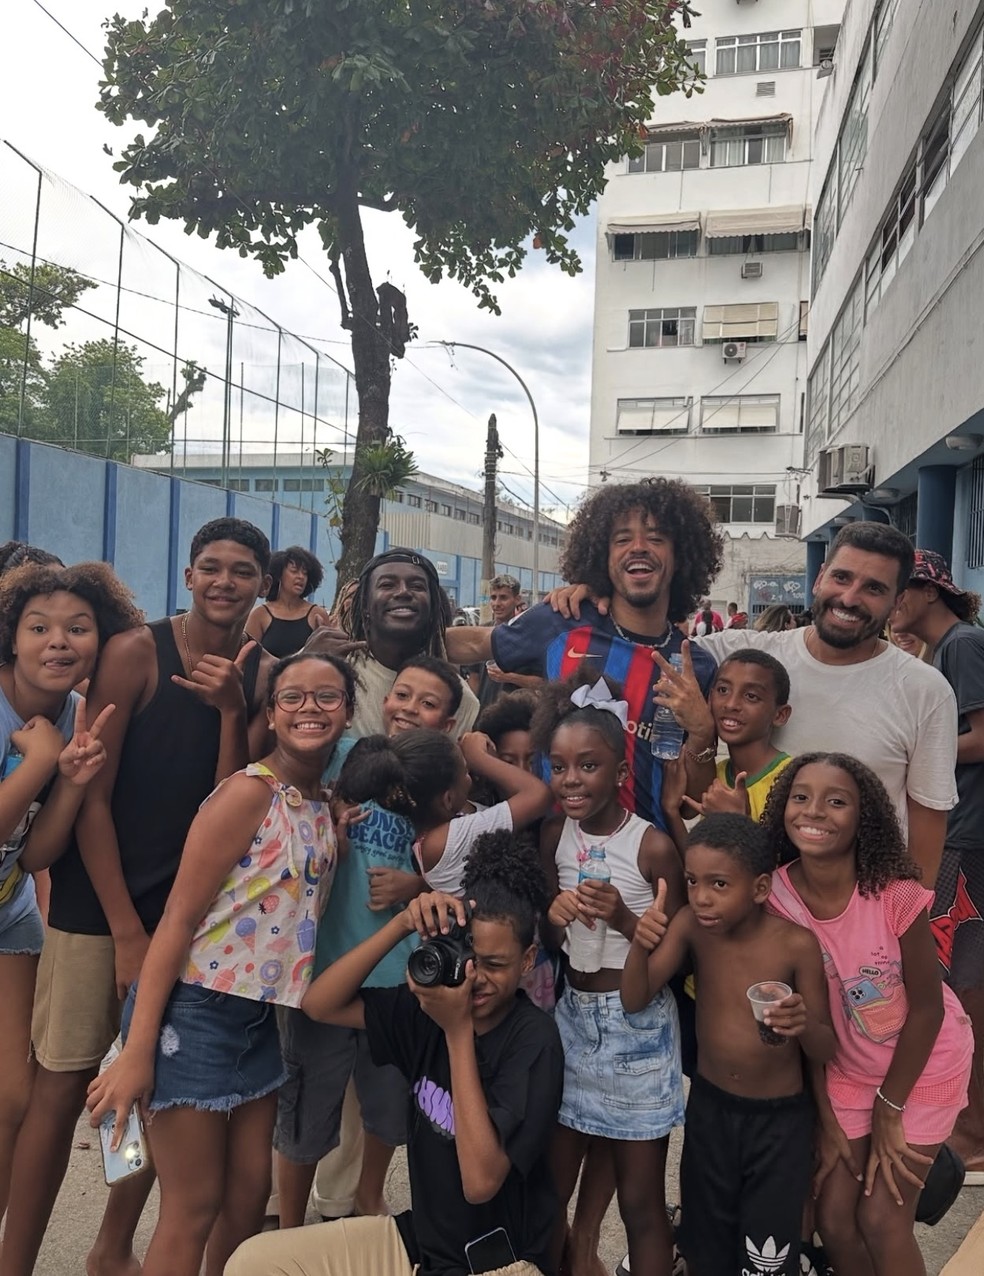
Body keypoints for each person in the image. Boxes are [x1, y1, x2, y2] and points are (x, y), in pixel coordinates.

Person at [0, 517, 273, 1276]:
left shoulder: (257, 671)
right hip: (102, 909)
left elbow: (230, 799)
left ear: (262, 585)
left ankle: (111, 1248)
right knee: (59, 1093)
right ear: (187, 577)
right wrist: (124, 929)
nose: (225, 581)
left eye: (242, 570)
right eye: (211, 567)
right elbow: (92, 796)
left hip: (188, 920)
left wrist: (229, 709)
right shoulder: (134, 652)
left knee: (162, 1088)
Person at [85, 652, 354, 1276]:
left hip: (258, 1022)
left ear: (347, 709)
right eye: (292, 698)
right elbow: (177, 921)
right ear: (270, 711)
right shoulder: (245, 794)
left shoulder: (319, 800)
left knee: (244, 1199)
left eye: (327, 697)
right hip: (193, 1014)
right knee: (193, 1206)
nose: (310, 709)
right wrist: (137, 1050)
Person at [225, 832, 565, 1276]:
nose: (476, 978)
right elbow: (319, 1004)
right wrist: (401, 924)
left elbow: (481, 1182)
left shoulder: (533, 1041)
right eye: (470, 958)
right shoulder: (430, 1007)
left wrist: (457, 1031)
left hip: (499, 1262)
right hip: (420, 1242)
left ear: (527, 959)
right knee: (253, 1264)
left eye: (496, 965)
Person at [558, 521, 959, 884]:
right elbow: (643, 650)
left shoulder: (924, 689)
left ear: (896, 601)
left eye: (874, 588)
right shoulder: (738, 655)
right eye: (841, 577)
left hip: (863, 924)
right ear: (819, 578)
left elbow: (926, 829)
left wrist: (909, 926)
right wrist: (593, 602)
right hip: (750, 915)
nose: (850, 598)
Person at [761, 754, 974, 1276]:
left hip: (922, 1068)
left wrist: (890, 1106)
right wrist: (828, 1117)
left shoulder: (895, 896)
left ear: (864, 819)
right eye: (802, 796)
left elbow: (926, 1010)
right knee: (834, 1219)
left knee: (881, 1218)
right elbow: (804, 1021)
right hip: (848, 1073)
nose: (816, 811)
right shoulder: (778, 896)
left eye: (837, 801)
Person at [621, 813, 835, 1276]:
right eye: (693, 881)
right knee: (706, 1247)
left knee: (767, 1256)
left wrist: (802, 1023)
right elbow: (636, 999)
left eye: (719, 884)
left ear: (760, 889)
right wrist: (639, 943)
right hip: (711, 1112)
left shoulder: (796, 946)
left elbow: (825, 1048)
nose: (700, 896)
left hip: (779, 1125)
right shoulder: (691, 926)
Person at [449, 480, 723, 832]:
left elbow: (688, 806)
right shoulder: (562, 623)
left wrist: (702, 732)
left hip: (646, 870)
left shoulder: (696, 666)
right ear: (602, 558)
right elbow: (472, 645)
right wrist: (381, 633)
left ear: (681, 556)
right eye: (622, 539)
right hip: (554, 861)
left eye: (656, 538)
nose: (638, 548)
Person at [0, 561, 139, 1221]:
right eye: (39, 627)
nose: (59, 641)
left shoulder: (82, 712)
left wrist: (74, 779)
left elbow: (37, 854)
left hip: (10, 911)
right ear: (12, 637)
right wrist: (37, 762)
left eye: (77, 628)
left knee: (17, 1098)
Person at [534, 673, 685, 1276]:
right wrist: (555, 913)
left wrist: (624, 917)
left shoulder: (651, 848)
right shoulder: (555, 835)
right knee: (550, 1190)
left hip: (639, 1030)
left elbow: (667, 948)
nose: (571, 780)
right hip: (572, 1021)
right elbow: (552, 938)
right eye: (560, 766)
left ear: (622, 775)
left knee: (641, 1201)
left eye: (588, 766)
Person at [274, 734, 422, 1229]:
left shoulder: (429, 794)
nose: (410, 708)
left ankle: (367, 1196)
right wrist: (334, 833)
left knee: (387, 1108)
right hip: (325, 975)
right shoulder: (338, 782)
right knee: (306, 1112)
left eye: (428, 703)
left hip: (395, 982)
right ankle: (290, 1223)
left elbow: (454, 871)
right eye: (403, 695)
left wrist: (417, 885)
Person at [892, 549, 984, 1180]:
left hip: (967, 836)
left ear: (927, 590)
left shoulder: (962, 646)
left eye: (899, 588)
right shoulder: (940, 652)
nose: (891, 600)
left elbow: (982, 736)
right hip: (956, 832)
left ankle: (974, 1132)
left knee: (964, 983)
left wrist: (916, 747)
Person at [312, 548, 479, 740]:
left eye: (416, 586)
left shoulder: (458, 697)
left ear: (433, 608)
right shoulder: (330, 668)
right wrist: (306, 666)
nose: (403, 592)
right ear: (365, 605)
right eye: (387, 585)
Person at [664, 649, 793, 843]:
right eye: (723, 690)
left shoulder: (791, 780)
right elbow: (702, 868)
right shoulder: (716, 775)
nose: (731, 704)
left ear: (780, 715)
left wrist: (739, 822)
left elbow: (785, 869)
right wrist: (671, 811)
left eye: (751, 696)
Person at [246, 547, 330, 657]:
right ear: (279, 575)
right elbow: (248, 657)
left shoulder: (317, 614)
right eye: (294, 571)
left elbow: (329, 656)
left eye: (305, 573)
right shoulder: (260, 614)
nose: (301, 577)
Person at [479, 574, 541, 707]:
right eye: (493, 597)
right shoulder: (481, 634)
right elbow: (474, 678)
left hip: (514, 717)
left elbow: (541, 683)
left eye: (503, 597)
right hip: (483, 717)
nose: (497, 604)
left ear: (517, 599)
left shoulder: (528, 637)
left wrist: (508, 677)